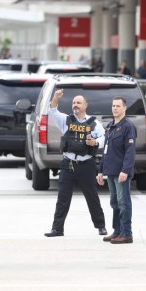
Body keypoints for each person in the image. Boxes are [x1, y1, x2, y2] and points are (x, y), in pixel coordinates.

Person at [44, 89, 108, 238]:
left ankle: (101, 226)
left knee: (92, 197)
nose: (75, 105)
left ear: (86, 105)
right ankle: (57, 229)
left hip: (86, 165)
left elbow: (104, 138)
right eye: (73, 102)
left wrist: (95, 142)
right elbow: (52, 110)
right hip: (68, 164)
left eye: (79, 102)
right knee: (63, 198)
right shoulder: (66, 120)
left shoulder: (94, 123)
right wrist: (56, 97)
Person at [97, 96, 136, 244]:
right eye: (113, 106)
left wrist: (125, 170)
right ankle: (117, 231)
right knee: (115, 203)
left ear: (124, 108)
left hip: (121, 172)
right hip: (111, 171)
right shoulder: (111, 126)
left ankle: (127, 233)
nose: (115, 108)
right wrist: (100, 170)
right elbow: (106, 151)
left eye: (118, 106)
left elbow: (130, 152)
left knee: (124, 203)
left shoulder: (128, 127)